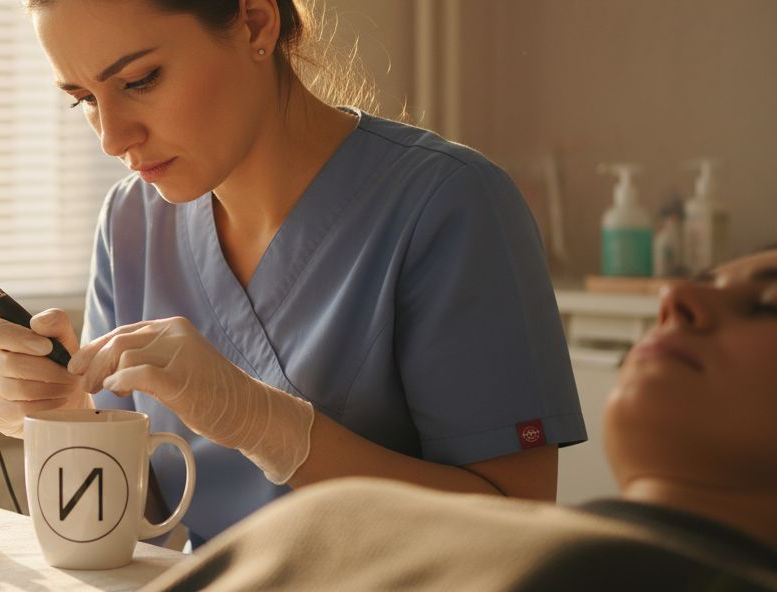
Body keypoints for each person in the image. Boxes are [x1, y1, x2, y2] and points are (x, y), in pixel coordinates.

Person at [0, 0, 585, 545]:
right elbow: (134, 524)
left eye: (139, 81)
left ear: (256, 21)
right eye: (82, 97)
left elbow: (517, 532)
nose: (111, 137)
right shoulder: (132, 222)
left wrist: (276, 428)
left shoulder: (448, 207)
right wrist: (58, 414)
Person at [141, 247, 777, 590]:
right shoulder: (332, 521)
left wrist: (269, 425)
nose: (676, 297)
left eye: (767, 303)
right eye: (702, 279)